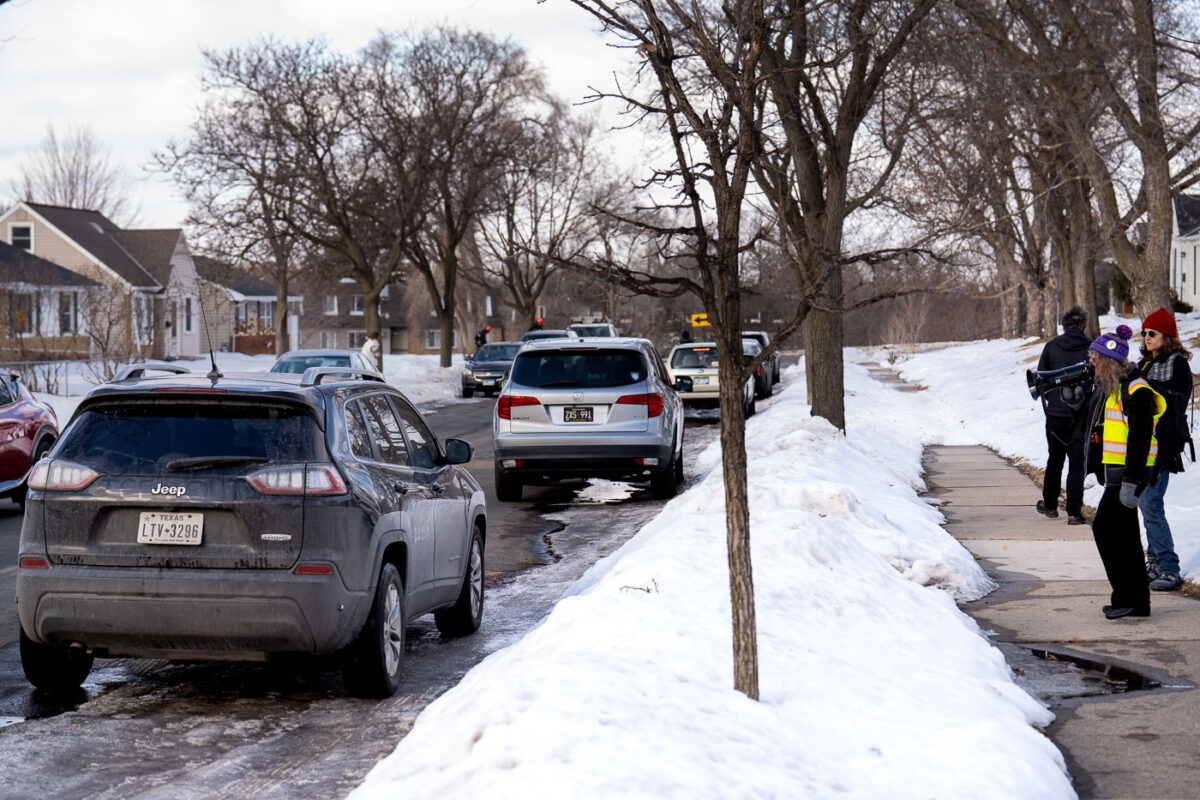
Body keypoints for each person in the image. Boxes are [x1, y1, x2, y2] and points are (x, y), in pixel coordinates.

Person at [1083, 325, 1165, 619]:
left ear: (1107, 361)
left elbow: (1141, 439)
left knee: (1104, 529)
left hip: (1131, 478)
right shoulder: (1115, 389)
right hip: (1119, 477)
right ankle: (1135, 602)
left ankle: (1127, 596)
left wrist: (1131, 482)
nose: (1091, 362)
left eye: (1094, 358)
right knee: (1127, 535)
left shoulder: (1135, 389)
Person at [1135, 308, 1193, 591]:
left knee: (1151, 505)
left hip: (1164, 445)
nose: (1146, 337)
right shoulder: (1144, 364)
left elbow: (1176, 402)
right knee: (1146, 506)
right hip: (1143, 446)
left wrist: (1147, 388)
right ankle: (1155, 561)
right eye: (1144, 332)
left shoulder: (1177, 364)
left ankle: (1169, 567)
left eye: (1152, 333)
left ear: (1166, 335)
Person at [1036, 305, 1092, 524]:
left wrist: (1055, 402)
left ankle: (1050, 504)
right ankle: (1074, 512)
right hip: (1083, 414)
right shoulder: (1092, 348)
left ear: (1064, 325)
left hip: (1056, 415)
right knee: (1078, 463)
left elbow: (1041, 383)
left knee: (1055, 459)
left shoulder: (1051, 347)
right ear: (1085, 327)